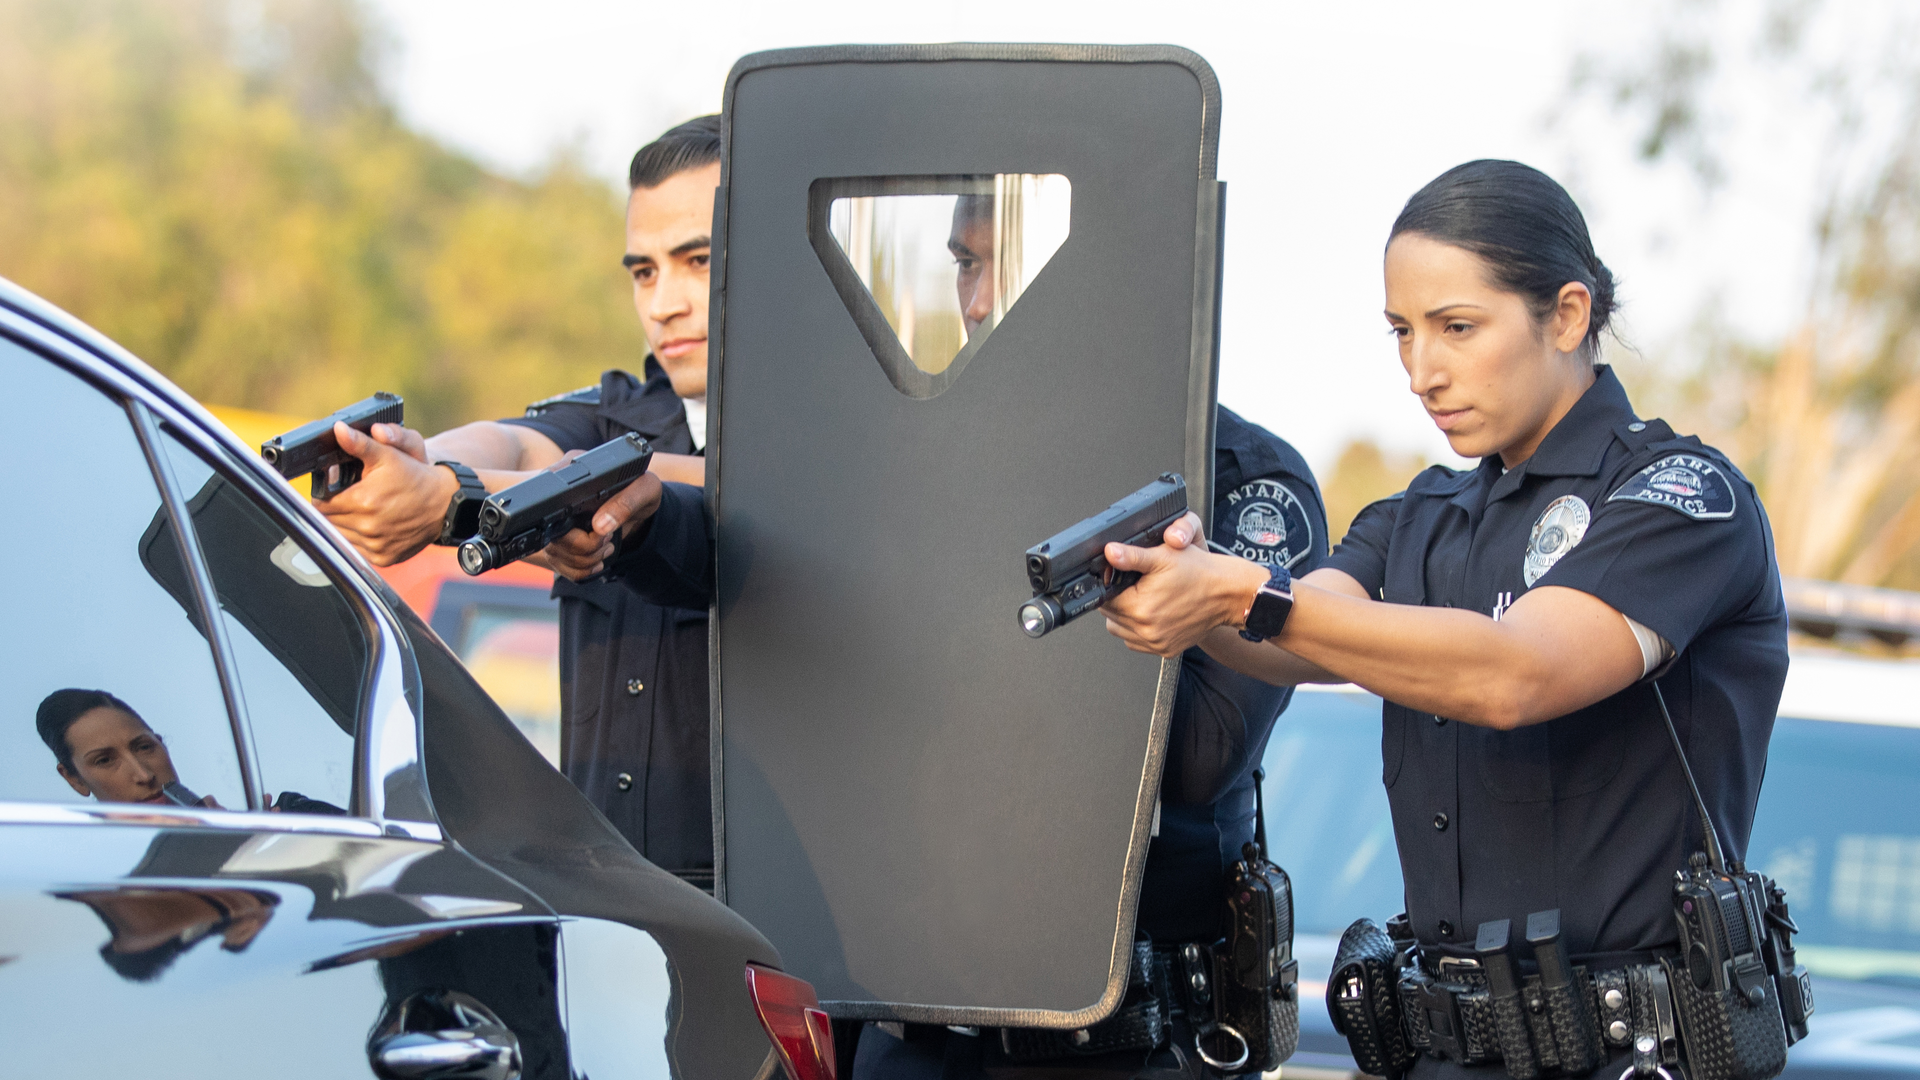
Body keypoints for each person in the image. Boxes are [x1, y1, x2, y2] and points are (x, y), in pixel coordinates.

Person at [1100, 160, 1788, 1080]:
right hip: (1435, 1051)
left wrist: (1239, 595)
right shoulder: (1420, 513)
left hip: (1630, 1056)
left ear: (1568, 315)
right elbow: (1302, 634)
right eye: (1400, 332)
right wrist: (1175, 585)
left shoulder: (1680, 497)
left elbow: (1516, 672)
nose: (1422, 370)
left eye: (1457, 327)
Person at [311, 115, 722, 887]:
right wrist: (426, 465)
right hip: (614, 904)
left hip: (791, 946)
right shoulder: (617, 410)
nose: (665, 302)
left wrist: (451, 499)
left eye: (697, 261)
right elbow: (515, 446)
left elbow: (737, 496)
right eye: (643, 272)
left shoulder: (840, 446)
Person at [36, 688, 216, 807]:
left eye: (145, 747)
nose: (144, 776)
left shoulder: (228, 833)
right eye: (104, 760)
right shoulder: (83, 863)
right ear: (75, 780)